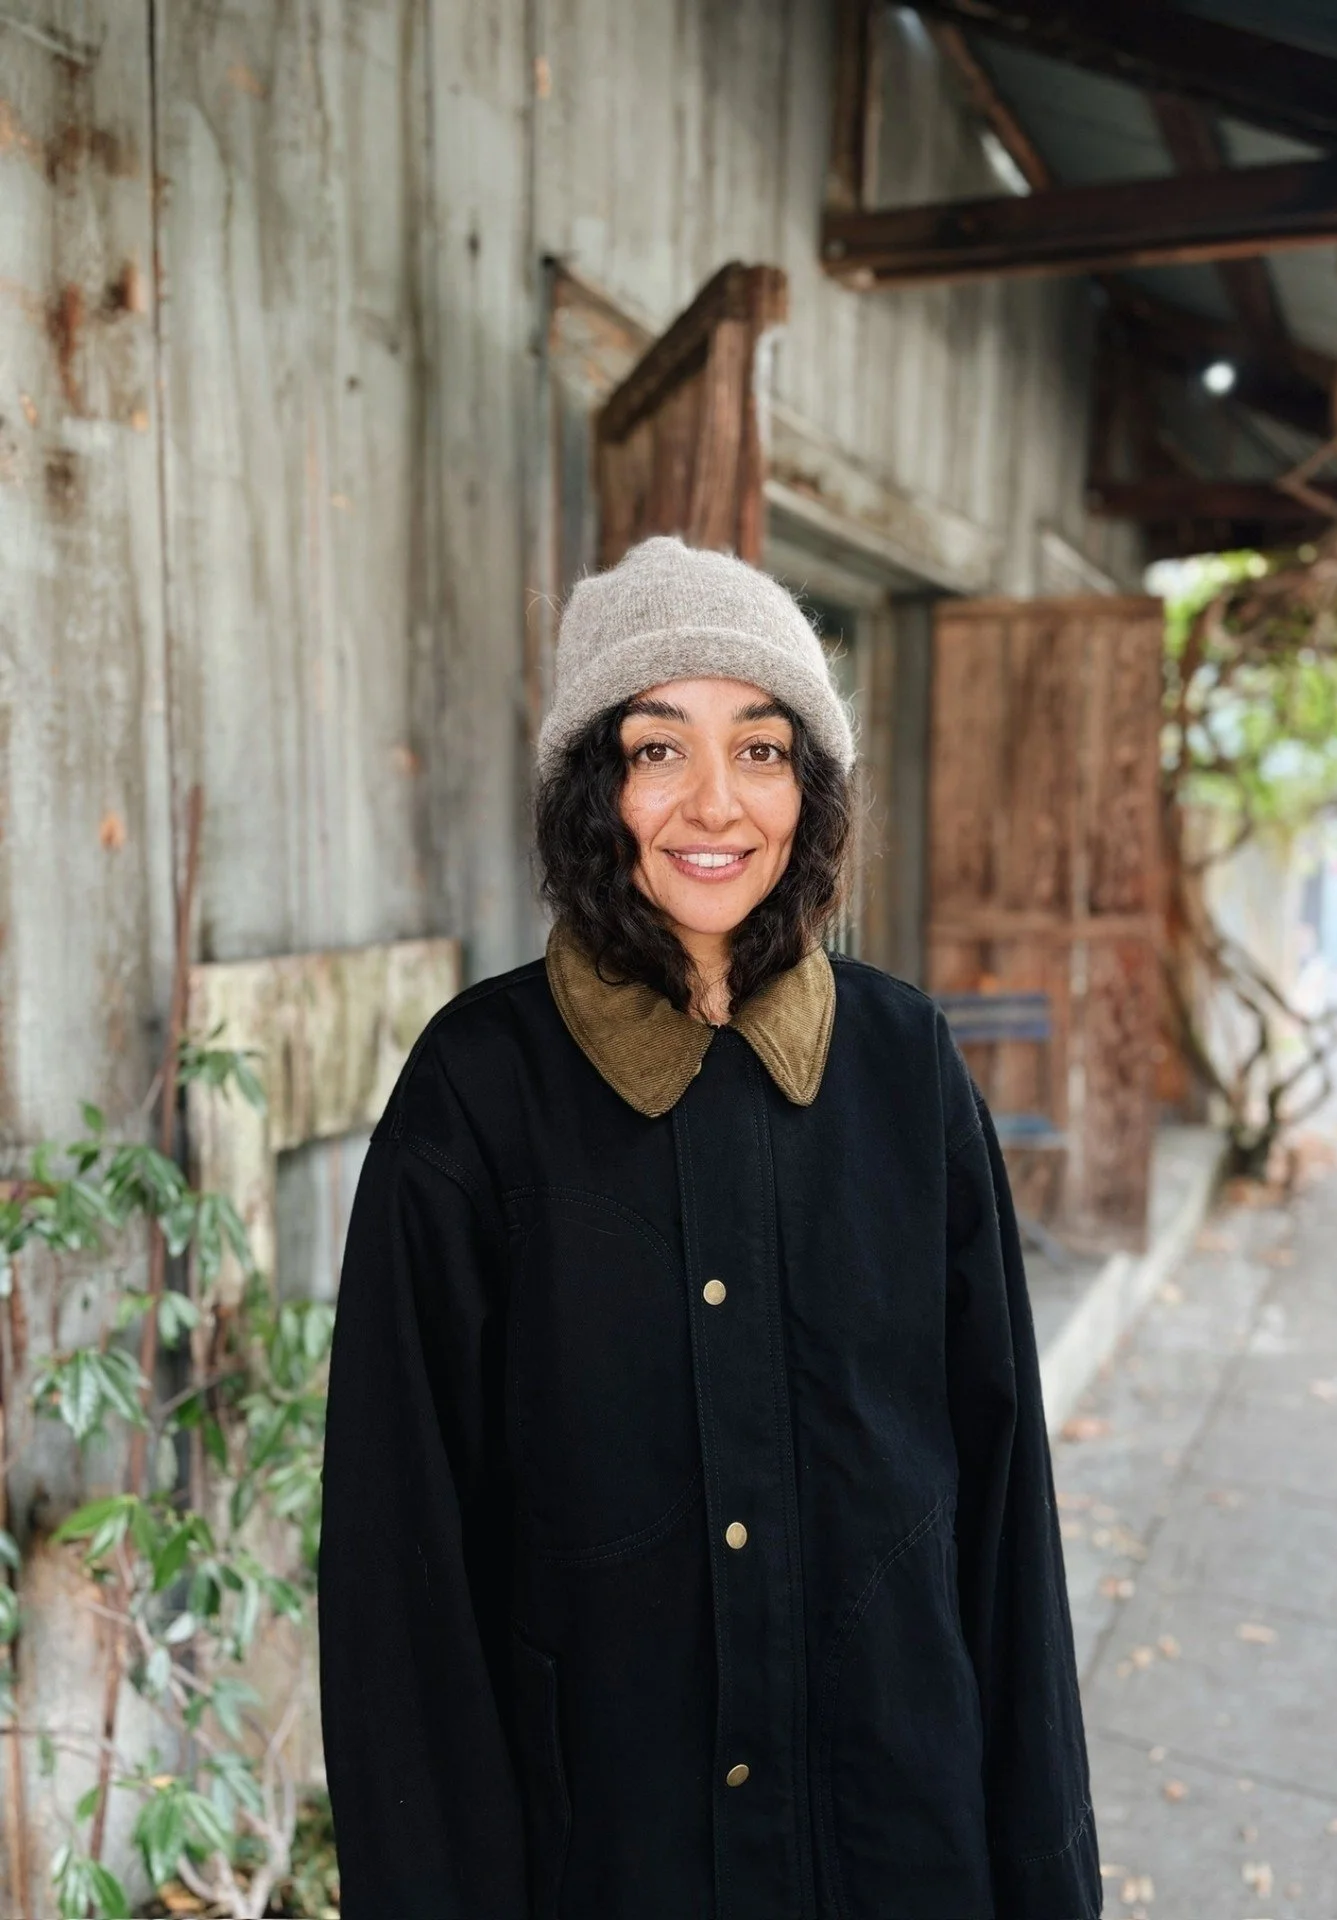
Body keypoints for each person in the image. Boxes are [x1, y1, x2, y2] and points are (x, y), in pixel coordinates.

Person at [318, 535, 1101, 1920]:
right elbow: (401, 1567)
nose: (715, 802)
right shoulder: (477, 1091)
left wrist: (1045, 1877)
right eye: (657, 748)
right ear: (593, 787)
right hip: (602, 1856)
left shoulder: (907, 1068)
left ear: (811, 787)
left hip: (899, 1847)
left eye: (761, 748)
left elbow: (1001, 1518)